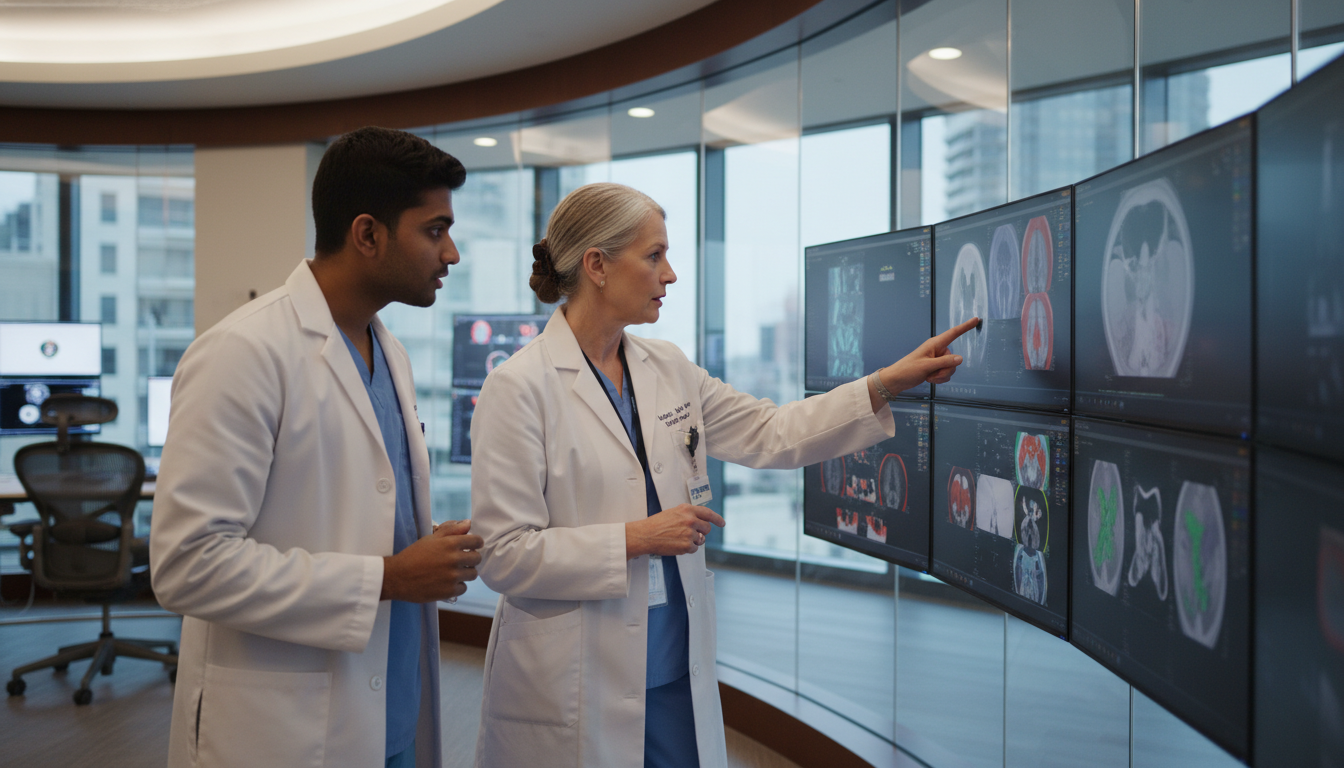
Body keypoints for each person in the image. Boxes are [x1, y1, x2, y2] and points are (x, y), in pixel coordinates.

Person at [468, 182, 978, 768]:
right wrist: (638, 537)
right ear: (597, 265)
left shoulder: (667, 367)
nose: (672, 275)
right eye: (655, 255)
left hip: (673, 664)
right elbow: (503, 555)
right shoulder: (519, 387)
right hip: (576, 677)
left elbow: (772, 432)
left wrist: (885, 383)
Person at [150, 127, 484, 768]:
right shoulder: (242, 353)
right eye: (436, 230)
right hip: (286, 728)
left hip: (389, 708)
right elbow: (187, 564)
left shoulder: (390, 353)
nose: (453, 254)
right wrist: (390, 577)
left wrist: (422, 545)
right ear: (368, 234)